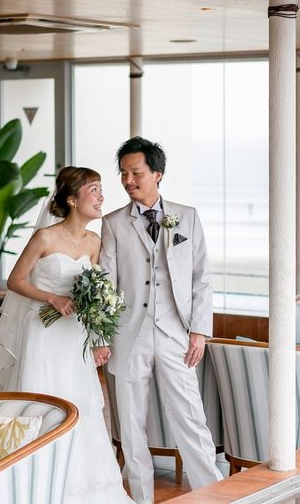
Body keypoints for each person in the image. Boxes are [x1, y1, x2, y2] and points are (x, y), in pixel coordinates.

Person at [0, 166, 133, 504]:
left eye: (101, 189)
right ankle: (33, 483)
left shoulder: (94, 242)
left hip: (75, 338)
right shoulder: (45, 238)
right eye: (94, 190)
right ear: (72, 200)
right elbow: (15, 280)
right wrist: (52, 298)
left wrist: (100, 340)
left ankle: (83, 486)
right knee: (43, 400)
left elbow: (95, 294)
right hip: (43, 334)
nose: (101, 197)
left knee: (80, 403)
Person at [99, 137, 223, 504]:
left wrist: (199, 331)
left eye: (135, 172)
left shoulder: (187, 217)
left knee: (190, 415)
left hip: (175, 334)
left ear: (157, 174)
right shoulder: (112, 223)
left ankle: (212, 494)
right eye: (123, 174)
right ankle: (141, 497)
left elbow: (201, 278)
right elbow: (106, 284)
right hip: (127, 336)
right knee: (131, 423)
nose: (128, 180)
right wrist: (102, 337)